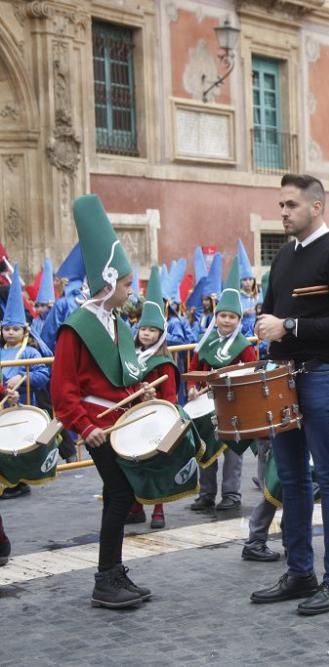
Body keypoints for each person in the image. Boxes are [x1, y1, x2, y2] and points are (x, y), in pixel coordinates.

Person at [251, 174, 329, 617]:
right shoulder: (281, 260)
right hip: (282, 378)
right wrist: (265, 323)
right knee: (291, 478)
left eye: (291, 205)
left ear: (316, 207)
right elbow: (274, 311)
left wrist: (289, 326)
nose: (283, 212)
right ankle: (301, 571)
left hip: (323, 376)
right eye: (280, 205)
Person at [52, 194, 158, 609]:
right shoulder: (74, 328)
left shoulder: (116, 323)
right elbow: (62, 391)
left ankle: (112, 572)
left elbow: (118, 378)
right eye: (129, 283)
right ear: (109, 282)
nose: (133, 290)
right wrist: (86, 426)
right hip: (100, 429)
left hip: (120, 423)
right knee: (117, 495)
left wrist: (139, 392)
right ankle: (104, 579)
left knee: (121, 495)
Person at [187, 260, 258, 513]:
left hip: (233, 405)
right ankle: (206, 493)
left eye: (231, 317)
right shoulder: (205, 343)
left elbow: (252, 374)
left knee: (232, 452)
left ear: (238, 320)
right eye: (223, 316)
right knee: (206, 448)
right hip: (207, 406)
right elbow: (194, 371)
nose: (226, 321)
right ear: (216, 317)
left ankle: (231, 494)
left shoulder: (245, 348)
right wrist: (193, 387)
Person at [124, 267, 178, 530]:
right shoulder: (129, 358)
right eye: (143, 329)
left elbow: (170, 397)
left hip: (155, 420)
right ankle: (135, 507)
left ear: (160, 335)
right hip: (132, 417)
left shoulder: (164, 363)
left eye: (152, 330)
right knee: (132, 461)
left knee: (155, 464)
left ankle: (159, 509)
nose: (146, 333)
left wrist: (155, 395)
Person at [0, 266, 52, 500]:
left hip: (22, 405)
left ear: (24, 330)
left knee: (16, 446)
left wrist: (24, 378)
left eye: (15, 329)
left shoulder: (30, 352)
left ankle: (18, 483)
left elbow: (43, 375)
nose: (10, 333)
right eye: (7, 329)